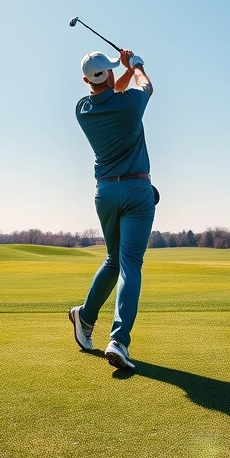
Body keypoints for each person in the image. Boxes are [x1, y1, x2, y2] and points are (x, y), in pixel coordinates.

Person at [68, 48, 154, 371]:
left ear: (86, 80)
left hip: (105, 192)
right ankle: (118, 340)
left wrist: (126, 70)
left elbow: (111, 92)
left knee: (113, 260)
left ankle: (85, 317)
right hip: (137, 190)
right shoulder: (130, 104)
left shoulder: (82, 110)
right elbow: (146, 87)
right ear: (110, 74)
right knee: (130, 263)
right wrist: (137, 65)